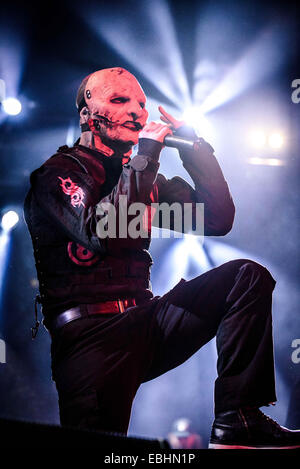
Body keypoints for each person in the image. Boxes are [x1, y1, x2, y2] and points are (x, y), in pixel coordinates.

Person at [24, 67, 300, 449]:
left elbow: (216, 219)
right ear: (88, 115)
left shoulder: (146, 180)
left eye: (140, 103)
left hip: (146, 322)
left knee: (246, 278)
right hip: (91, 341)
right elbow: (107, 231)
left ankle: (238, 419)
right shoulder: (56, 176)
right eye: (119, 101)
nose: (137, 112)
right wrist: (147, 155)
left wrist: (194, 149)